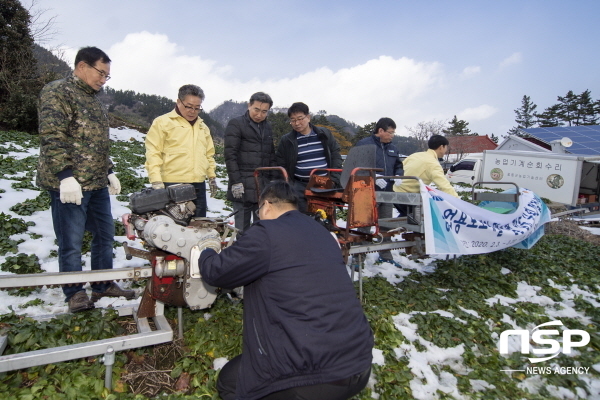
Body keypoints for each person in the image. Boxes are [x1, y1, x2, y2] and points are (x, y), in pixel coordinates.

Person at [200, 181, 373, 400]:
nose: (260, 216)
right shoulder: (322, 232)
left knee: (230, 383)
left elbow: (216, 272)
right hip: (359, 363)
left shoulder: (267, 232)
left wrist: (207, 248)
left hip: (313, 376)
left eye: (259, 211)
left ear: (267, 206)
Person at [37, 46, 135, 313]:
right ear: (82, 67)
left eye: (107, 76)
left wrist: (109, 170)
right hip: (71, 186)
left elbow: (96, 143)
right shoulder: (57, 92)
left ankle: (102, 284)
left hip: (96, 183)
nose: (103, 80)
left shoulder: (94, 100)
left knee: (104, 236)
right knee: (71, 240)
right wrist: (65, 177)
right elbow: (52, 137)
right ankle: (74, 292)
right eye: (101, 73)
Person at [145, 84, 218, 218]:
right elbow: (153, 152)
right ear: (178, 102)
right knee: (173, 230)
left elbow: (208, 155)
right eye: (189, 106)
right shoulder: (162, 122)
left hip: (198, 185)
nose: (192, 111)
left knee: (199, 226)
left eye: (197, 108)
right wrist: (156, 180)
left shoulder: (203, 127)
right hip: (173, 184)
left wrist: (211, 177)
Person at [275, 102, 342, 212]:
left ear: (308, 117)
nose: (297, 123)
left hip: (324, 182)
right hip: (299, 184)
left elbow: (335, 155)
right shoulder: (287, 140)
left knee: (325, 217)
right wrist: (290, 184)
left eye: (300, 118)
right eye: (293, 120)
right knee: (301, 218)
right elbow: (280, 162)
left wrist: (334, 179)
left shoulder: (324, 133)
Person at [355, 117, 404, 266]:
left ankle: (386, 255)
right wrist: (373, 177)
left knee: (386, 224)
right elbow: (356, 167)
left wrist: (398, 174)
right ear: (380, 131)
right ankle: (358, 257)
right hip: (366, 192)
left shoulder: (393, 148)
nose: (392, 135)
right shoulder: (364, 145)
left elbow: (398, 165)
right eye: (390, 132)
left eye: (394, 132)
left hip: (387, 192)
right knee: (364, 225)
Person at [224, 92, 276, 232]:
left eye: (264, 111)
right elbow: (230, 154)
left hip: (262, 186)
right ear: (249, 106)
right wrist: (236, 182)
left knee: (262, 227)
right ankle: (241, 253)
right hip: (243, 184)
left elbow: (270, 154)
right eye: (256, 110)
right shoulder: (236, 124)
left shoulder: (267, 127)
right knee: (242, 229)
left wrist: (272, 180)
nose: (259, 115)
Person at [393, 134, 459, 197]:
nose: (446, 150)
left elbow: (398, 168)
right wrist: (459, 202)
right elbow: (444, 186)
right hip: (408, 196)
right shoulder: (433, 164)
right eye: (446, 147)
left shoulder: (415, 155)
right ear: (441, 147)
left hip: (395, 190)